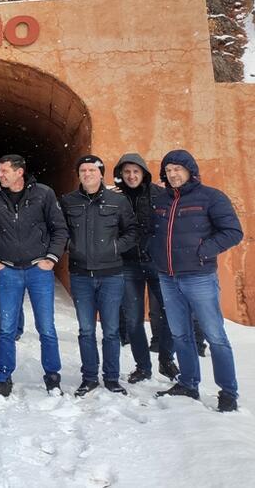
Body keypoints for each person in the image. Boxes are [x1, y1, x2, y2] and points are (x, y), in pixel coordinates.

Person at [149, 150, 243, 412]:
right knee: (180, 334)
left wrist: (202, 251)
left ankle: (228, 392)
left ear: (190, 170)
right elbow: (151, 232)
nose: (173, 174)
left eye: (177, 169)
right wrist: (153, 250)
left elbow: (233, 232)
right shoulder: (161, 200)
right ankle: (189, 384)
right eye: (168, 170)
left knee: (215, 335)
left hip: (199, 276)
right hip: (168, 277)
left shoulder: (211, 197)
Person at [0, 154, 68, 398]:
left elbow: (59, 229)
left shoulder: (43, 194)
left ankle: (52, 377)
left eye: (4, 171)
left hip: (39, 270)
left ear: (19, 172)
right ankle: (3, 378)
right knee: (6, 328)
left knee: (46, 327)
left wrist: (51, 258)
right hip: (8, 271)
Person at [61, 156, 138, 397]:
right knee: (86, 330)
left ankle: (112, 378)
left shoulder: (117, 201)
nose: (87, 174)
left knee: (111, 330)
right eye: (83, 170)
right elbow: (59, 230)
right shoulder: (68, 201)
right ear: (78, 174)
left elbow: (132, 231)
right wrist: (70, 246)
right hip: (80, 274)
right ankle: (89, 377)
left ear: (101, 174)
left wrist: (114, 247)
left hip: (111, 274)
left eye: (92, 170)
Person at [114, 153, 179, 383]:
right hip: (128, 265)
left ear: (144, 173)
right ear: (120, 174)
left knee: (170, 313)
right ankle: (142, 366)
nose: (131, 176)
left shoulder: (160, 194)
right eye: (126, 172)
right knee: (133, 319)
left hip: (157, 263)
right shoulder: (114, 197)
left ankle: (166, 358)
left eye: (136, 171)